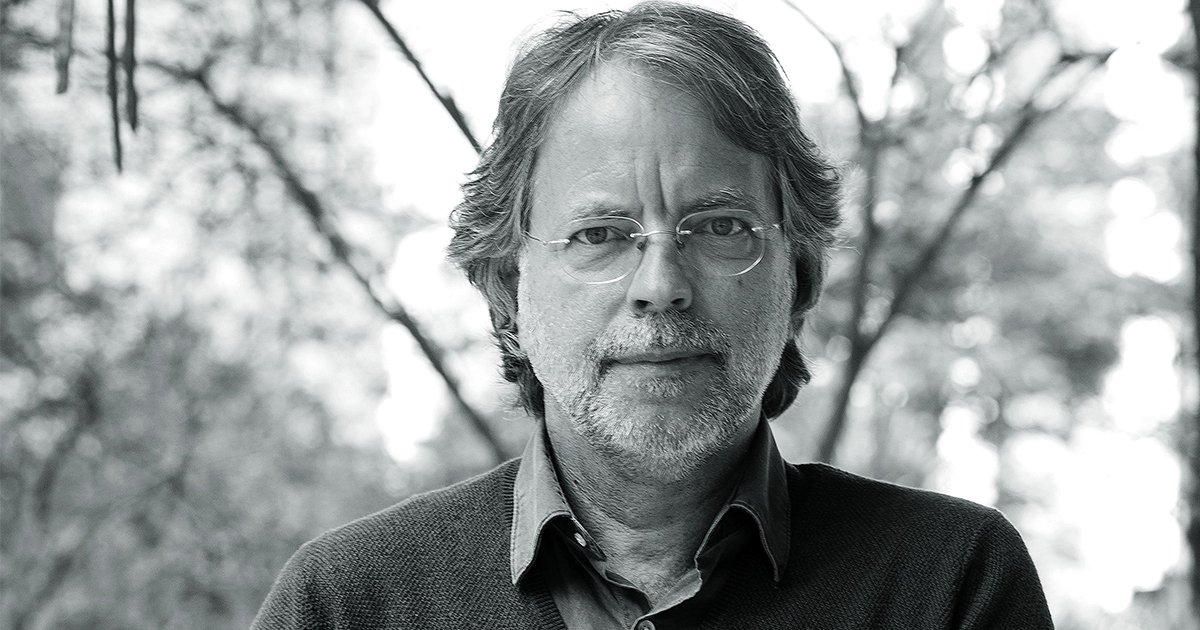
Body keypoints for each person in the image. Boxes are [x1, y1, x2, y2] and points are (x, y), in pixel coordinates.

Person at [253, 3, 1054, 628]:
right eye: (599, 235)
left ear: (800, 277)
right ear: (507, 290)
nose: (660, 285)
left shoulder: (949, 583)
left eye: (720, 226)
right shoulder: (347, 604)